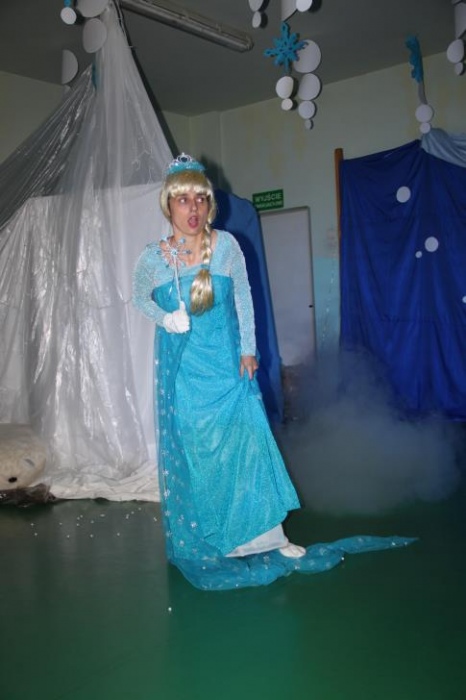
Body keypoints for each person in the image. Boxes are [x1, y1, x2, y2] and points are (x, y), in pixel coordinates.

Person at [132, 154, 416, 591]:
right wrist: (164, 318)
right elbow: (139, 297)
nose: (193, 209)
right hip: (184, 376)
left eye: (200, 199)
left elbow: (244, 298)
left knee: (247, 447)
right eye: (183, 199)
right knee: (201, 455)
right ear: (168, 205)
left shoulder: (226, 246)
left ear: (209, 204)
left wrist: (248, 350)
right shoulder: (154, 257)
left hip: (227, 368)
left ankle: (268, 538)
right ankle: (216, 537)